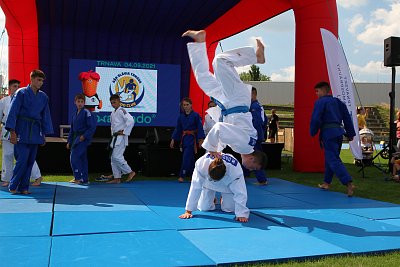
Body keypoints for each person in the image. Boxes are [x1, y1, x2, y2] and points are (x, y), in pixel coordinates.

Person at [182, 29, 267, 171]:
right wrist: (210, 148)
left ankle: (200, 41)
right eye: (253, 168)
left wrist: (217, 149)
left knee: (203, 78)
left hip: (228, 102)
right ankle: (256, 57)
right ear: (253, 159)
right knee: (220, 61)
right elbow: (220, 128)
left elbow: (224, 133)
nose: (250, 169)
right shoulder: (244, 145)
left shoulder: (243, 144)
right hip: (235, 100)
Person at [5, 70, 53, 194]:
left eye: (42, 80)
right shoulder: (21, 93)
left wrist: (44, 134)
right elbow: (13, 112)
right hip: (22, 128)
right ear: (31, 80)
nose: (40, 83)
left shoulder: (43, 97)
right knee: (22, 160)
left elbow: (45, 116)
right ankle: (13, 185)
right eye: (38, 80)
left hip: (36, 131)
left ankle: (24, 187)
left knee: (30, 161)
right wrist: (12, 131)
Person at [310, 81, 356, 197]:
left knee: (332, 159)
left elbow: (316, 119)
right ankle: (326, 183)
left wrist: (313, 131)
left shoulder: (321, 102)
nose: (316, 93)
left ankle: (348, 182)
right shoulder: (339, 102)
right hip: (338, 133)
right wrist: (350, 133)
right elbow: (347, 118)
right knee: (330, 158)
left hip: (328, 133)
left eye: (317, 91)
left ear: (323, 90)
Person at [179, 152, 250, 222]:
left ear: (225, 172)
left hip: (227, 186)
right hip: (208, 184)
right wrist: (188, 211)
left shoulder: (234, 168)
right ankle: (212, 199)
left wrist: (241, 213)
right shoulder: (201, 164)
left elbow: (240, 191)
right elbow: (195, 187)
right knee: (204, 208)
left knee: (229, 209)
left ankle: (223, 198)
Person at [0, 79, 43, 187]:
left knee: (26, 155)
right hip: (7, 131)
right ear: (9, 88)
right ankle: (7, 179)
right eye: (14, 86)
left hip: (21, 131)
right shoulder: (3, 101)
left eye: (18, 86)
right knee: (7, 155)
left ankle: (37, 177)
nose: (17, 88)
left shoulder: (23, 98)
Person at [102, 94, 136, 184]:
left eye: (115, 102)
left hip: (121, 137)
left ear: (119, 101)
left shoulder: (122, 110)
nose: (113, 104)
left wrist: (124, 131)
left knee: (117, 156)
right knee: (113, 158)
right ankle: (117, 178)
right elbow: (113, 127)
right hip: (115, 137)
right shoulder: (113, 113)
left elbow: (131, 120)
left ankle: (130, 172)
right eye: (112, 103)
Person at [170, 97, 205, 182]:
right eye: (184, 105)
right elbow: (178, 128)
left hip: (192, 139)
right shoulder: (181, 116)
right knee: (191, 158)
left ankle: (182, 175)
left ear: (191, 105)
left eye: (187, 104)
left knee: (186, 157)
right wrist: (173, 139)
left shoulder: (196, 115)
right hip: (184, 138)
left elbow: (200, 127)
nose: (185, 106)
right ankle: (195, 175)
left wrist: (200, 139)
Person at [66, 93, 96, 184]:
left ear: (84, 103)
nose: (80, 103)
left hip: (82, 138)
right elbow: (72, 129)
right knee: (82, 158)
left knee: (74, 157)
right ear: (75, 102)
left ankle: (78, 177)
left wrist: (84, 136)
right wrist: (69, 141)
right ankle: (84, 179)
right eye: (78, 101)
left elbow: (92, 127)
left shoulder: (86, 112)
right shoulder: (75, 114)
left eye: (82, 102)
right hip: (76, 138)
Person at [242, 87, 268, 185]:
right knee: (246, 154)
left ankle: (262, 180)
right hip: (252, 135)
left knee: (256, 156)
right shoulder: (254, 106)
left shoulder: (255, 106)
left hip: (254, 136)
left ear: (253, 94)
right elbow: (265, 121)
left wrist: (256, 134)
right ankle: (245, 174)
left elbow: (258, 122)